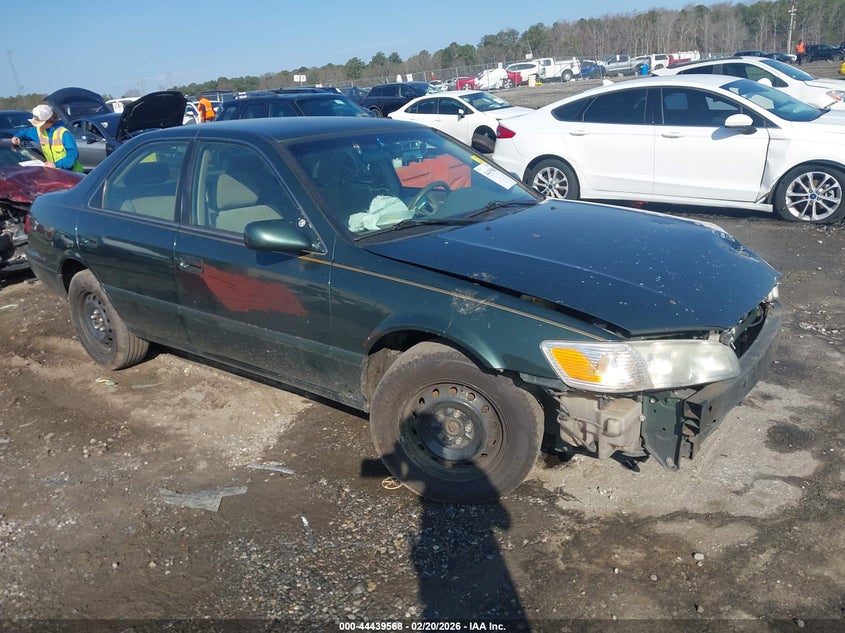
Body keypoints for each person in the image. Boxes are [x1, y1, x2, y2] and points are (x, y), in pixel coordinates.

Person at [10, 104, 84, 172]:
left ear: (48, 121)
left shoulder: (64, 133)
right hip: (56, 172)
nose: (38, 126)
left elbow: (73, 154)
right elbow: (25, 133)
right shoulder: (39, 130)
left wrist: (56, 165)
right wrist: (17, 137)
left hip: (73, 173)